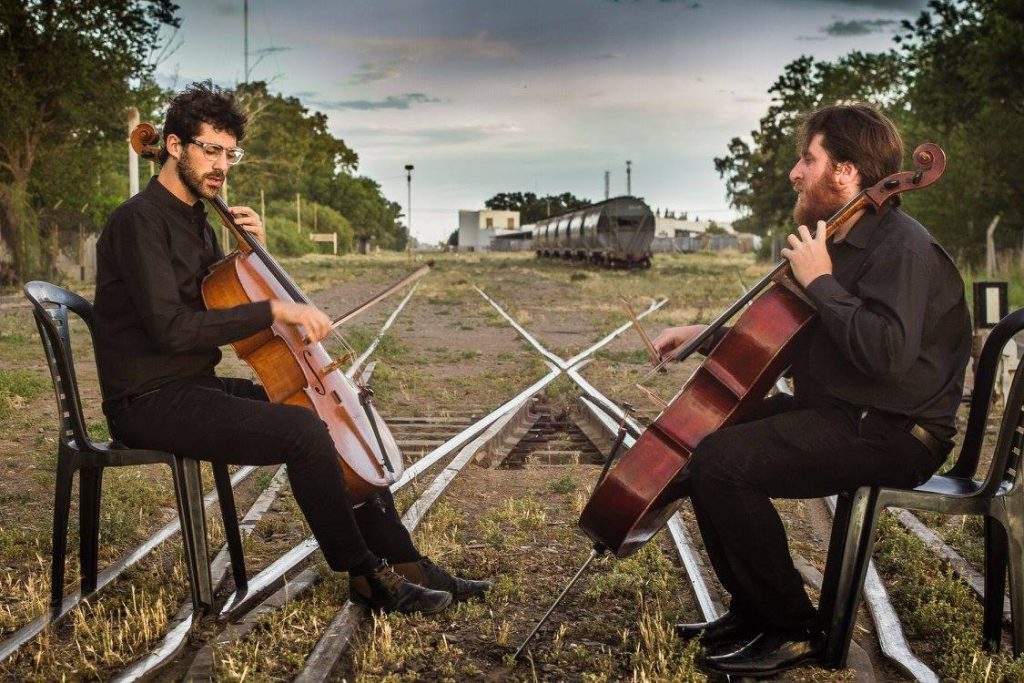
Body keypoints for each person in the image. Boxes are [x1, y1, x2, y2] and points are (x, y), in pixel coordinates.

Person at [93, 81, 490, 615]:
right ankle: (364, 574)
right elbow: (171, 329)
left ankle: (407, 560)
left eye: (230, 154)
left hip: (194, 386)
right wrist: (274, 309)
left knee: (323, 419)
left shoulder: (200, 222)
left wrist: (250, 254)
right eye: (210, 150)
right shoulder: (137, 221)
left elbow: (220, 312)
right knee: (303, 432)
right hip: (147, 400)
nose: (221, 166)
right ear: (172, 145)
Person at [651, 103, 971, 677]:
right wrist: (709, 334)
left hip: (895, 430)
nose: (796, 173)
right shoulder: (843, 239)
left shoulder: (901, 247)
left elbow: (887, 356)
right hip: (847, 411)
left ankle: (792, 628)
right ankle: (753, 610)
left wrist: (820, 280)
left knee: (725, 462)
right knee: (710, 440)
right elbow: (795, 337)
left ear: (845, 171)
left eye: (808, 159)